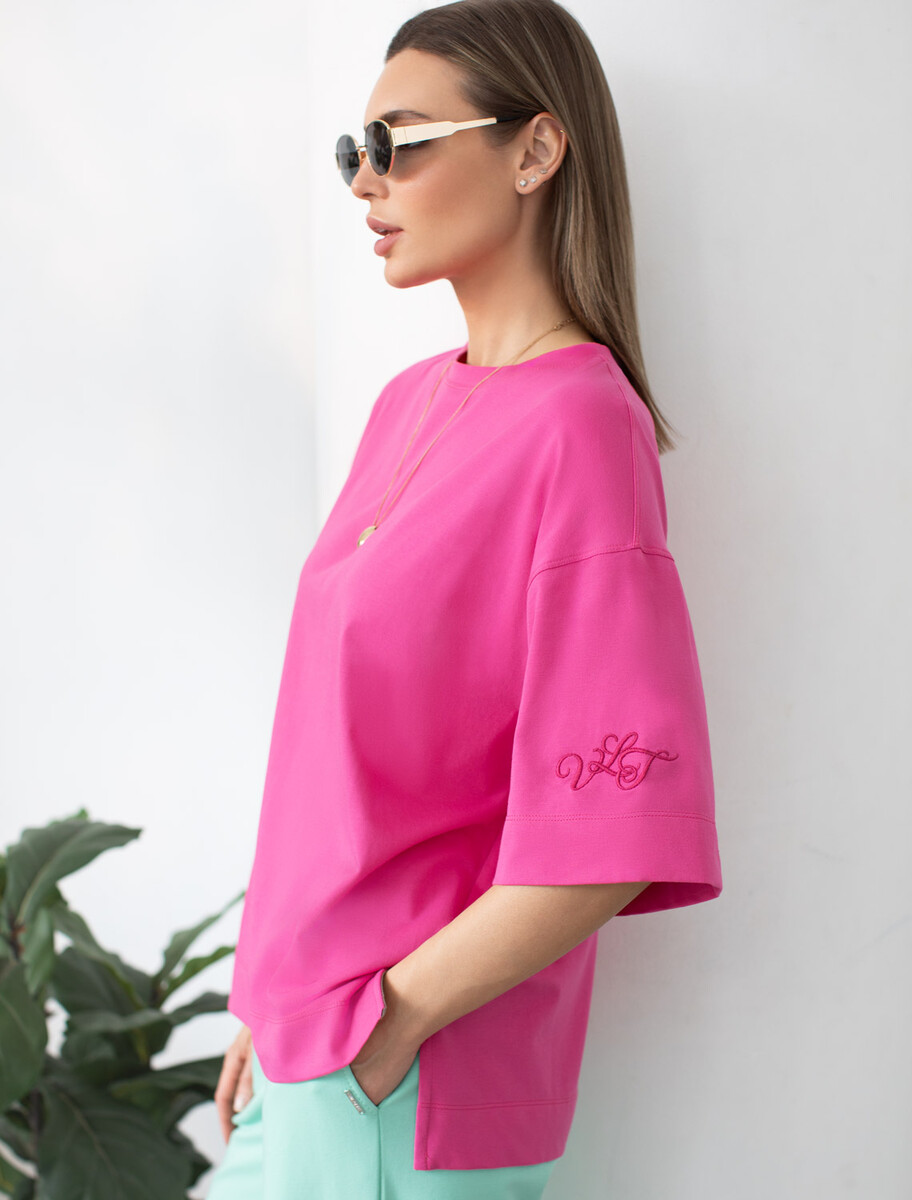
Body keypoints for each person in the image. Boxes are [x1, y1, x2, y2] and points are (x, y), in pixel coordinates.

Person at [206, 1, 722, 1197]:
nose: (366, 181)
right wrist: (277, 1001)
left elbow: (613, 829)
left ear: (535, 151)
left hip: (406, 1085)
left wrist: (385, 1026)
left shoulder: (581, 425)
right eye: (357, 150)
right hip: (308, 1048)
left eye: (400, 143)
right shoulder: (408, 402)